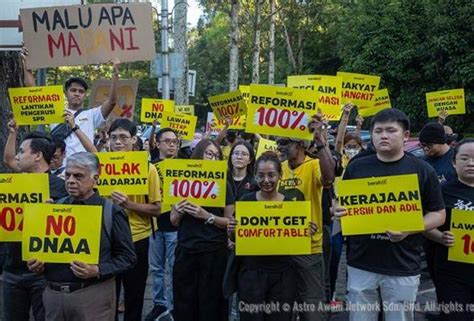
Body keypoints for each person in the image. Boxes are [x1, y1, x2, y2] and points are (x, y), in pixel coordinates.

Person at [333, 108, 446, 321]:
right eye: (378, 131)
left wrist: (409, 228)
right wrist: (337, 210)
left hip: (402, 264)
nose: (383, 135)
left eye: (390, 130)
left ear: (405, 135)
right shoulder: (357, 167)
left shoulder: (422, 170)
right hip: (361, 262)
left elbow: (439, 214)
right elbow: (341, 204)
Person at [27, 152, 136, 321]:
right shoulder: (56, 208)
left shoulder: (111, 212)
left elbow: (128, 257)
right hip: (53, 297)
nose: (70, 181)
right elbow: (47, 250)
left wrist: (97, 270)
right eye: (68, 175)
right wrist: (38, 264)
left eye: (78, 176)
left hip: (92, 297)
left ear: (95, 179)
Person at [1, 131, 68, 321]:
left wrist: (55, 213)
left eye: (22, 151)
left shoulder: (61, 188)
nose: (17, 156)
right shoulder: (10, 185)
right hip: (11, 271)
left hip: (45, 275)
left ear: (37, 155)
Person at [276, 111, 335, 321]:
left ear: (300, 144)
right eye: (278, 142)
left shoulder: (313, 165)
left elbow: (328, 179)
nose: (280, 146)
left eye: (285, 142)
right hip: (280, 248)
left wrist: (320, 141)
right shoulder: (277, 169)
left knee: (312, 310)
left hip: (309, 248)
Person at [228, 151, 299, 321]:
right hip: (252, 275)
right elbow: (235, 238)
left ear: (280, 175)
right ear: (255, 176)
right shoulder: (246, 201)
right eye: (260, 176)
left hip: (283, 276)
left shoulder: (291, 203)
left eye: (271, 175)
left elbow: (297, 241)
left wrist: (306, 230)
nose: (266, 181)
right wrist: (231, 229)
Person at [170, 139, 234, 321]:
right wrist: (178, 211)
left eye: (216, 155)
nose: (213, 158)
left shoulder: (224, 185)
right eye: (209, 154)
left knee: (211, 304)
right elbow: (173, 221)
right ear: (199, 155)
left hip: (213, 253)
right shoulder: (182, 182)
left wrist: (207, 216)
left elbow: (230, 223)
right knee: (184, 303)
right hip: (186, 252)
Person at [106, 119, 161, 321]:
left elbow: (157, 210)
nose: (118, 142)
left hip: (136, 239)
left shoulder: (148, 169)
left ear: (134, 139)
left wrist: (129, 204)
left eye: (123, 137)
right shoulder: (99, 167)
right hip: (106, 240)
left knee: (135, 295)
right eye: (113, 138)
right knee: (107, 298)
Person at [425, 138, 474, 321]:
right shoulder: (440, 191)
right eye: (464, 158)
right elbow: (424, 225)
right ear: (454, 162)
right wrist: (440, 237)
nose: (471, 163)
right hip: (451, 273)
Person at [51, 58, 120, 160]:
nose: (77, 94)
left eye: (81, 91)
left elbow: (112, 102)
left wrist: (115, 74)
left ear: (85, 95)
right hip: (59, 169)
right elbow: (34, 94)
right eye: (73, 90)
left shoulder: (91, 114)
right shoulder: (54, 112)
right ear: (66, 92)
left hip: (84, 167)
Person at [146, 128, 181, 321]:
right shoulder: (149, 167)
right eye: (167, 141)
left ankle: (175, 306)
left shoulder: (185, 167)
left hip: (175, 227)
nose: (171, 145)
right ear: (157, 144)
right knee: (157, 269)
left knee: (174, 268)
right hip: (154, 226)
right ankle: (159, 305)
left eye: (174, 142)